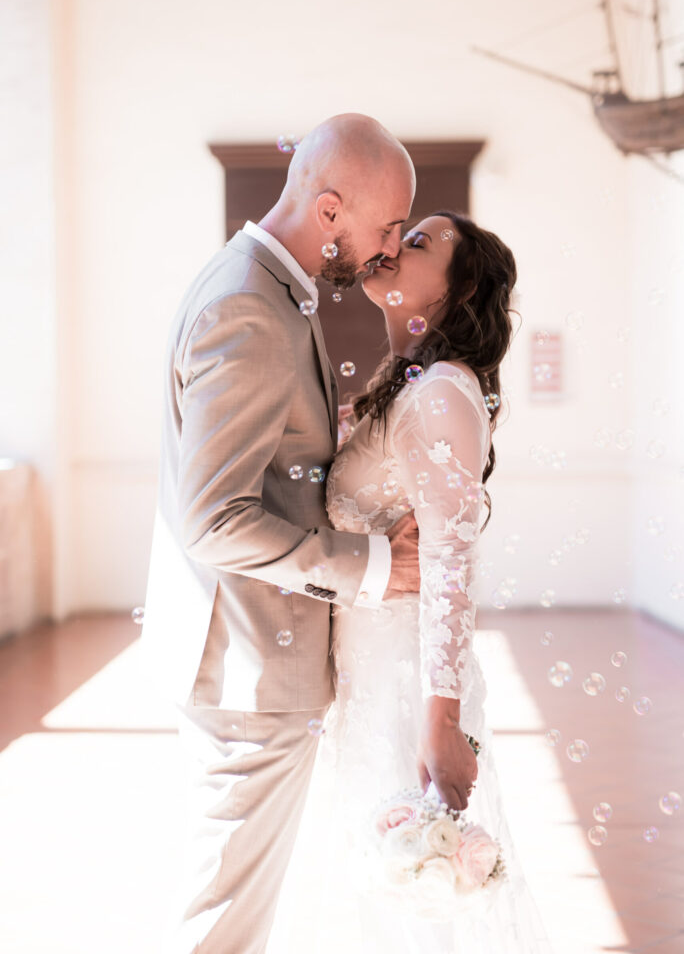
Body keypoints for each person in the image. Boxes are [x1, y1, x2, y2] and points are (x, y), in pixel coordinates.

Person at [141, 114, 453, 954]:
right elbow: (214, 517)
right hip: (248, 666)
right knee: (221, 922)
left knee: (228, 906)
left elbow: (267, 460)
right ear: (329, 210)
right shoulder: (250, 304)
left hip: (247, 659)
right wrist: (377, 565)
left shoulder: (265, 284)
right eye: (386, 226)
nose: (388, 249)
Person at [267, 211, 553, 952]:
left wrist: (441, 724)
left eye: (418, 242)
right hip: (369, 678)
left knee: (407, 896)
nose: (392, 247)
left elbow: (451, 567)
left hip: (409, 692)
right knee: (374, 897)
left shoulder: (442, 392)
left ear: (461, 292)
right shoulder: (405, 388)